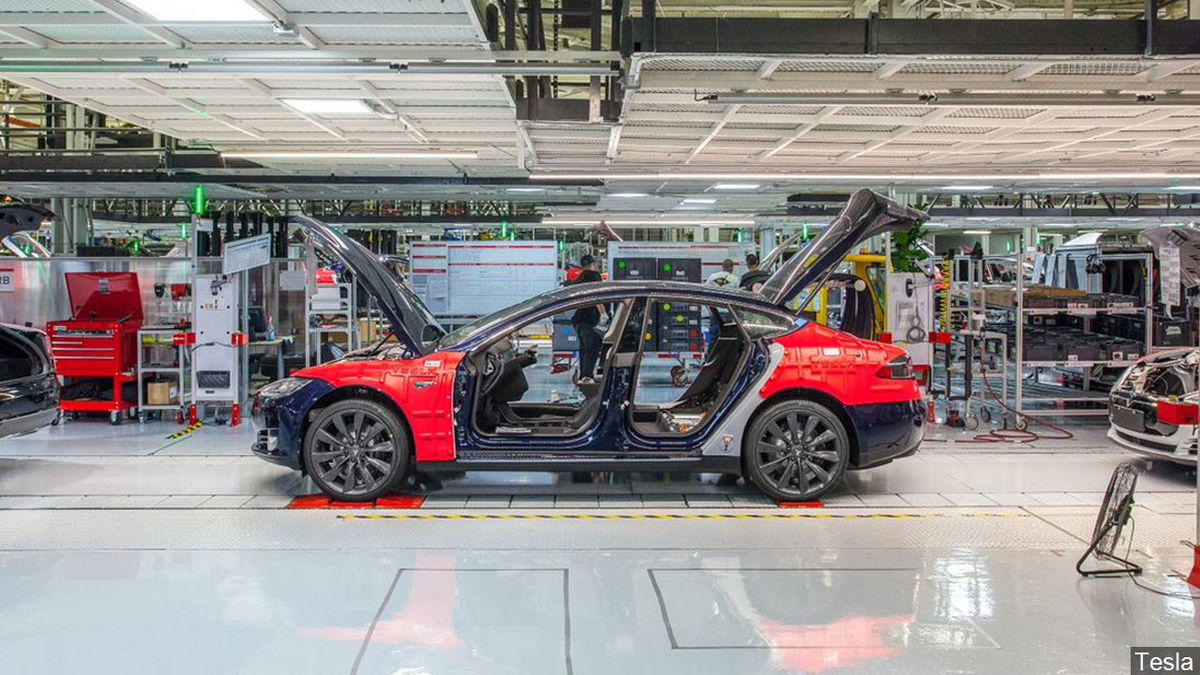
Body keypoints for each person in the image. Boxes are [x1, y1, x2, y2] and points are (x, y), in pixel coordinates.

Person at [569, 254, 607, 383]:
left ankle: (583, 375)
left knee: (584, 349)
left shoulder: (580, 277)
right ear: (593, 263)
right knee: (592, 348)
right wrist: (603, 314)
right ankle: (587, 376)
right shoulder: (594, 276)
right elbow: (597, 296)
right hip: (590, 319)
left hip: (579, 319)